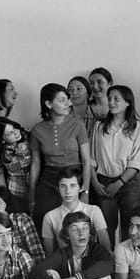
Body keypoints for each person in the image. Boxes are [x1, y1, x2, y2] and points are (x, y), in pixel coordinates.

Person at [90, 84, 140, 245]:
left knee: (132, 226)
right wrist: (95, 182)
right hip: (103, 182)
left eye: (117, 99)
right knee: (105, 227)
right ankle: (108, 258)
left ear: (127, 102)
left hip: (129, 182)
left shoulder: (138, 128)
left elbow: (136, 162)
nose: (112, 102)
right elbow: (92, 159)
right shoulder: (99, 126)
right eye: (110, 98)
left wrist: (119, 183)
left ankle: (129, 258)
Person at [28, 83, 91, 228]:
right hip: (48, 180)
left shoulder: (77, 125)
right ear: (49, 104)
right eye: (62, 100)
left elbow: (86, 161)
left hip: (74, 178)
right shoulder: (37, 130)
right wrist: (31, 195)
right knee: (45, 224)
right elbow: (36, 164)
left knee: (73, 226)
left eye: (68, 99)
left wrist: (85, 191)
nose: (68, 104)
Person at [41, 166, 110, 255]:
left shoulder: (94, 211)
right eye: (63, 186)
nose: (68, 191)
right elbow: (49, 254)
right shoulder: (49, 217)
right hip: (65, 261)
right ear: (58, 189)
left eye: (72, 186)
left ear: (81, 188)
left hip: (92, 260)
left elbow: (106, 248)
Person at [0, 116, 32, 213]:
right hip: (16, 191)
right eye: (10, 133)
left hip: (36, 187)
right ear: (2, 139)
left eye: (14, 128)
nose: (16, 133)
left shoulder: (29, 137)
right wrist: (4, 197)